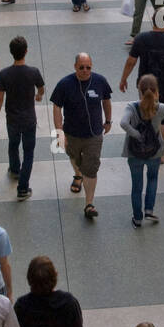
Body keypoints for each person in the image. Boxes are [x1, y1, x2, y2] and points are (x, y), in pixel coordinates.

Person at [51, 53, 113, 221]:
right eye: (81, 68)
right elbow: (56, 106)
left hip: (94, 134)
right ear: (75, 67)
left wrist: (108, 120)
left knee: (91, 168)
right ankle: (77, 175)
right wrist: (59, 132)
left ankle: (89, 204)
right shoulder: (65, 84)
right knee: (74, 157)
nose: (85, 71)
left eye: (88, 67)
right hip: (72, 133)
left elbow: (106, 100)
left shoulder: (100, 81)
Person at [120, 8, 164, 155]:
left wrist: (123, 79)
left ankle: (146, 143)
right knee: (163, 119)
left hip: (145, 85)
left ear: (153, 21)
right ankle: (161, 152)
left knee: (146, 113)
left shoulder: (141, 38)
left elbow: (131, 62)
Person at [0, 35, 44, 199]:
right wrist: (38, 96)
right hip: (29, 119)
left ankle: (14, 169)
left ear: (11, 52)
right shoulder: (33, 72)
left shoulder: (5, 74)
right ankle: (23, 188)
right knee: (29, 152)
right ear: (26, 51)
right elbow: (41, 88)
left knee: (13, 145)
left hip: (12, 119)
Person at [121, 74, 164, 228]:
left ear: (139, 91)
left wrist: (136, 134)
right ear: (157, 91)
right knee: (152, 179)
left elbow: (123, 123)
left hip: (135, 153)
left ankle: (137, 218)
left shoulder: (131, 108)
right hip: (155, 151)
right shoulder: (161, 108)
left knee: (137, 186)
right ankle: (149, 209)